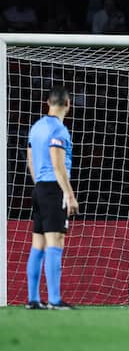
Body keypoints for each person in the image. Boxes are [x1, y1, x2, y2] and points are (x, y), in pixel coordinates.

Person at [25, 86, 79, 310]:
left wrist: (39, 184)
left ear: (48, 102)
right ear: (68, 104)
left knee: (38, 243)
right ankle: (55, 300)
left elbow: (30, 160)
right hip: (53, 189)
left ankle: (33, 299)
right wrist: (69, 194)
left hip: (38, 187)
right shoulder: (59, 130)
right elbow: (58, 165)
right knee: (55, 241)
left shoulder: (36, 127)